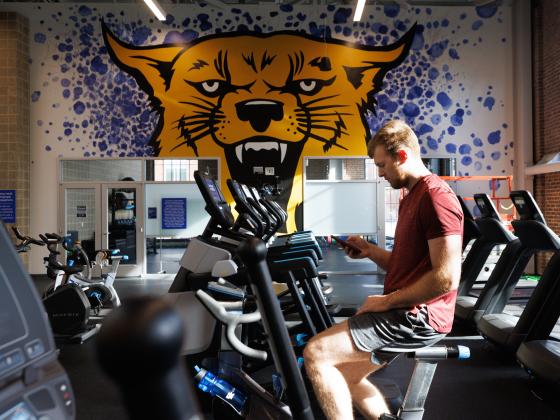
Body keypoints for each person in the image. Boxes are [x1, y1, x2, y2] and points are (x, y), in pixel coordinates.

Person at [303, 120, 464, 420]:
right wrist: (369, 251)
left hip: (417, 317)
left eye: (382, 165)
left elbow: (446, 278)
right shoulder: (411, 196)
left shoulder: (436, 198)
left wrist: (386, 301)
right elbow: (409, 267)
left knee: (316, 353)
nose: (379, 173)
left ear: (402, 156)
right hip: (408, 309)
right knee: (344, 374)